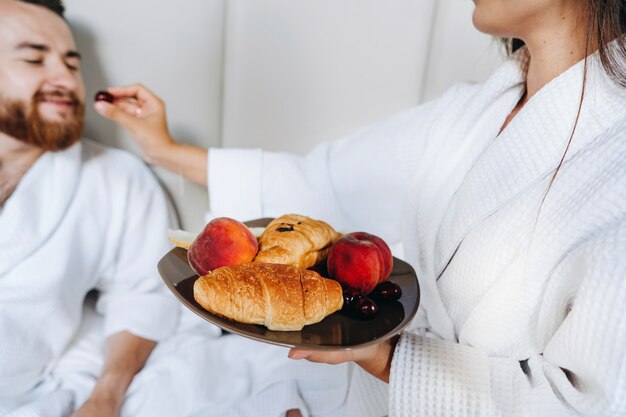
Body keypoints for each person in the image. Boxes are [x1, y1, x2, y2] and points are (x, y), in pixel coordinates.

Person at [96, 1, 626, 416]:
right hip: (354, 399)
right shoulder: (480, 105)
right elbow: (325, 181)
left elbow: (587, 404)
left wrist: (388, 357)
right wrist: (164, 150)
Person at [0, 1, 357, 417]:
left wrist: (105, 395)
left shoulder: (114, 180)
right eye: (33, 58)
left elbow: (142, 297)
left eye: (72, 63)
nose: (65, 78)